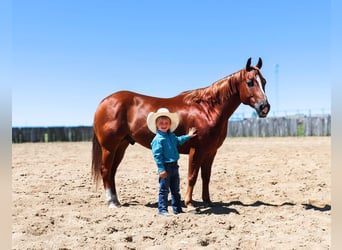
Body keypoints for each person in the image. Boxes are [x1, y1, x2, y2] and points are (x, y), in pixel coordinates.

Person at [147, 108, 197, 216]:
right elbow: (157, 156)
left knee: (175, 189)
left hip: (174, 166)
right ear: (156, 125)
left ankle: (177, 208)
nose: (164, 125)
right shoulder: (157, 139)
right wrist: (161, 169)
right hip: (165, 167)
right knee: (164, 190)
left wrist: (188, 136)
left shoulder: (171, 136)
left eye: (166, 123)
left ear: (169, 124)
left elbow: (179, 140)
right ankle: (162, 210)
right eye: (161, 123)